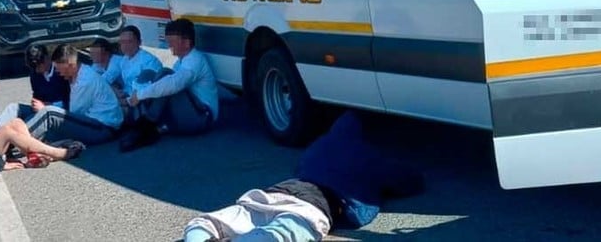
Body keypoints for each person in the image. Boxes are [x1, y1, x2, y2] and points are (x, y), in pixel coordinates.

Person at [182, 111, 425, 242]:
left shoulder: (317, 147)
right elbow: (407, 180)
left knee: (204, 223)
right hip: (313, 207)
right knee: (276, 235)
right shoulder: (369, 157)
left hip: (274, 193)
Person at [0, 62, 84, 175]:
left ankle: (34, 156)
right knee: (7, 131)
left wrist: (8, 153)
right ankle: (58, 153)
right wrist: (2, 164)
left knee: (16, 122)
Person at [121, 18, 218, 151]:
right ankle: (146, 124)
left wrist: (140, 95)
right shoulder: (180, 62)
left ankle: (147, 123)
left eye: (172, 42)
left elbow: (173, 84)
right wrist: (138, 94)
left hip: (202, 117)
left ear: (186, 43)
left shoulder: (195, 61)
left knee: (166, 75)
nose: (169, 46)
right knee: (150, 74)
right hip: (189, 112)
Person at [25, 44, 124, 145]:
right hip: (95, 123)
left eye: (59, 68)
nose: (58, 72)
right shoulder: (78, 74)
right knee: (44, 122)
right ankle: (17, 133)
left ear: (70, 65)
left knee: (49, 113)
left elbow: (72, 114)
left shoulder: (84, 82)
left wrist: (45, 108)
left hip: (103, 128)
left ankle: (17, 138)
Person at [0, 45, 70, 125]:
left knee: (26, 126)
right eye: (33, 67)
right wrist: (35, 103)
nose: (36, 70)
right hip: (41, 110)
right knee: (13, 108)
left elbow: (72, 101)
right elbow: (37, 95)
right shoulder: (35, 74)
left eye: (38, 66)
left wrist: (49, 106)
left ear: (46, 59)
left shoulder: (62, 72)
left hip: (59, 114)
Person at [103, 25, 163, 110]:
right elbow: (108, 76)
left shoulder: (149, 61)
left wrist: (121, 101)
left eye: (129, 42)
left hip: (142, 105)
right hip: (126, 97)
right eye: (122, 42)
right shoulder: (124, 59)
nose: (125, 46)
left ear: (139, 42)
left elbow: (146, 92)